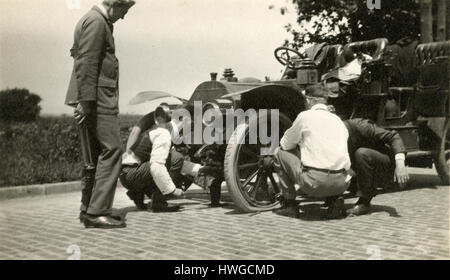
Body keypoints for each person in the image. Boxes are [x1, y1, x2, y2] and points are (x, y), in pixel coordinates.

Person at [65, 0, 136, 229]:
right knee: (112, 150)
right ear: (115, 4)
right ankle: (97, 211)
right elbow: (87, 64)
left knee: (95, 156)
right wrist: (86, 103)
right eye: (124, 10)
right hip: (97, 100)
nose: (124, 16)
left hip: (93, 98)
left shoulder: (94, 20)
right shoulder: (97, 22)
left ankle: (88, 209)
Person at [273, 84, 352, 219]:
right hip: (342, 183)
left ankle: (289, 204)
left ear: (309, 100)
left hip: (315, 183)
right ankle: (334, 200)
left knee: (278, 153)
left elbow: (285, 144)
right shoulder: (338, 120)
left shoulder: (305, 116)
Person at [344, 118, 409, 216]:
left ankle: (364, 203)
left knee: (362, 153)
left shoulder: (361, 126)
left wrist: (400, 165)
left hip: (384, 163)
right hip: (361, 166)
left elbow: (394, 136)